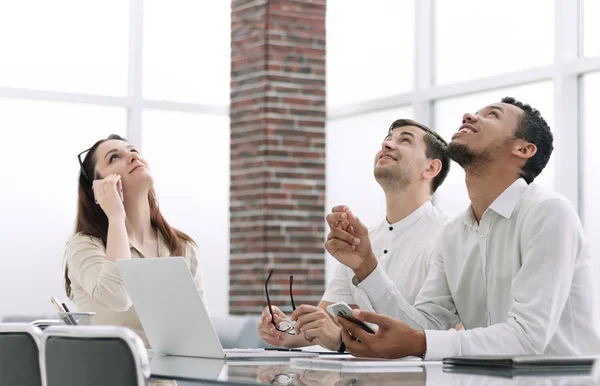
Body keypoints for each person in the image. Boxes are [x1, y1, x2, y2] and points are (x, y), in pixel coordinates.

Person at [328, 97, 600, 359]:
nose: (469, 116)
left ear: (523, 149)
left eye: (492, 114)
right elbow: (423, 326)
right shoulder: (453, 234)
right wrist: (366, 267)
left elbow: (528, 337)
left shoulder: (548, 212)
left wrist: (420, 342)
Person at [258, 119, 452, 351]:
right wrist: (284, 329)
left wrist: (341, 341)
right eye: (387, 139)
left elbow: (427, 335)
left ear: (431, 168)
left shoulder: (449, 235)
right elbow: (325, 322)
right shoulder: (362, 239)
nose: (387, 145)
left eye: (405, 140)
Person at [64, 134, 206, 347]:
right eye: (114, 158)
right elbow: (118, 298)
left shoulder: (183, 247)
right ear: (97, 188)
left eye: (134, 151)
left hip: (168, 379)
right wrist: (116, 216)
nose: (132, 157)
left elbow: (199, 333)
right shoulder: (84, 245)